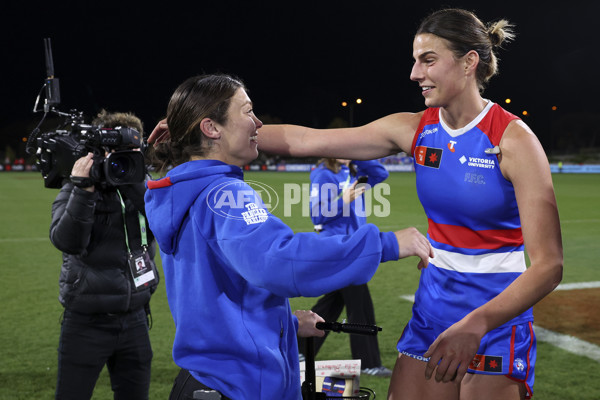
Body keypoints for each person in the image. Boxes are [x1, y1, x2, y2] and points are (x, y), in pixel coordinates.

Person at [254, 8, 563, 400]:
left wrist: (477, 325)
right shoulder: (415, 128)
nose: (415, 73)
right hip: (432, 312)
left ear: (469, 62)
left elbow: (550, 265)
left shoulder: (513, 140)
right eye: (415, 61)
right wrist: (204, 130)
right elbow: (304, 141)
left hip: (494, 323)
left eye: (428, 60)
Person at [144, 74, 433, 400]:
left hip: (209, 378)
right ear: (211, 128)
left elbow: (220, 295)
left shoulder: (184, 190)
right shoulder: (224, 193)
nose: (257, 123)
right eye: (247, 111)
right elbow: (277, 260)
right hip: (237, 384)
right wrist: (386, 244)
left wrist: (286, 324)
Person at [50, 110, 158, 400]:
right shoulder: (78, 188)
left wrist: (134, 178)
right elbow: (67, 241)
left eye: (130, 150)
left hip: (135, 317)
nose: (121, 158)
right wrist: (83, 189)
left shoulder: (144, 189)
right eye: (115, 150)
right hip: (86, 322)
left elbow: (166, 226)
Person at [297, 158, 393, 377]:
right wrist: (344, 200)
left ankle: (300, 347)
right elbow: (317, 214)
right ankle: (369, 362)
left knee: (334, 301)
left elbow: (380, 174)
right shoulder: (324, 174)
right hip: (338, 248)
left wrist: (358, 154)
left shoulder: (352, 173)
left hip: (354, 244)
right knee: (360, 303)